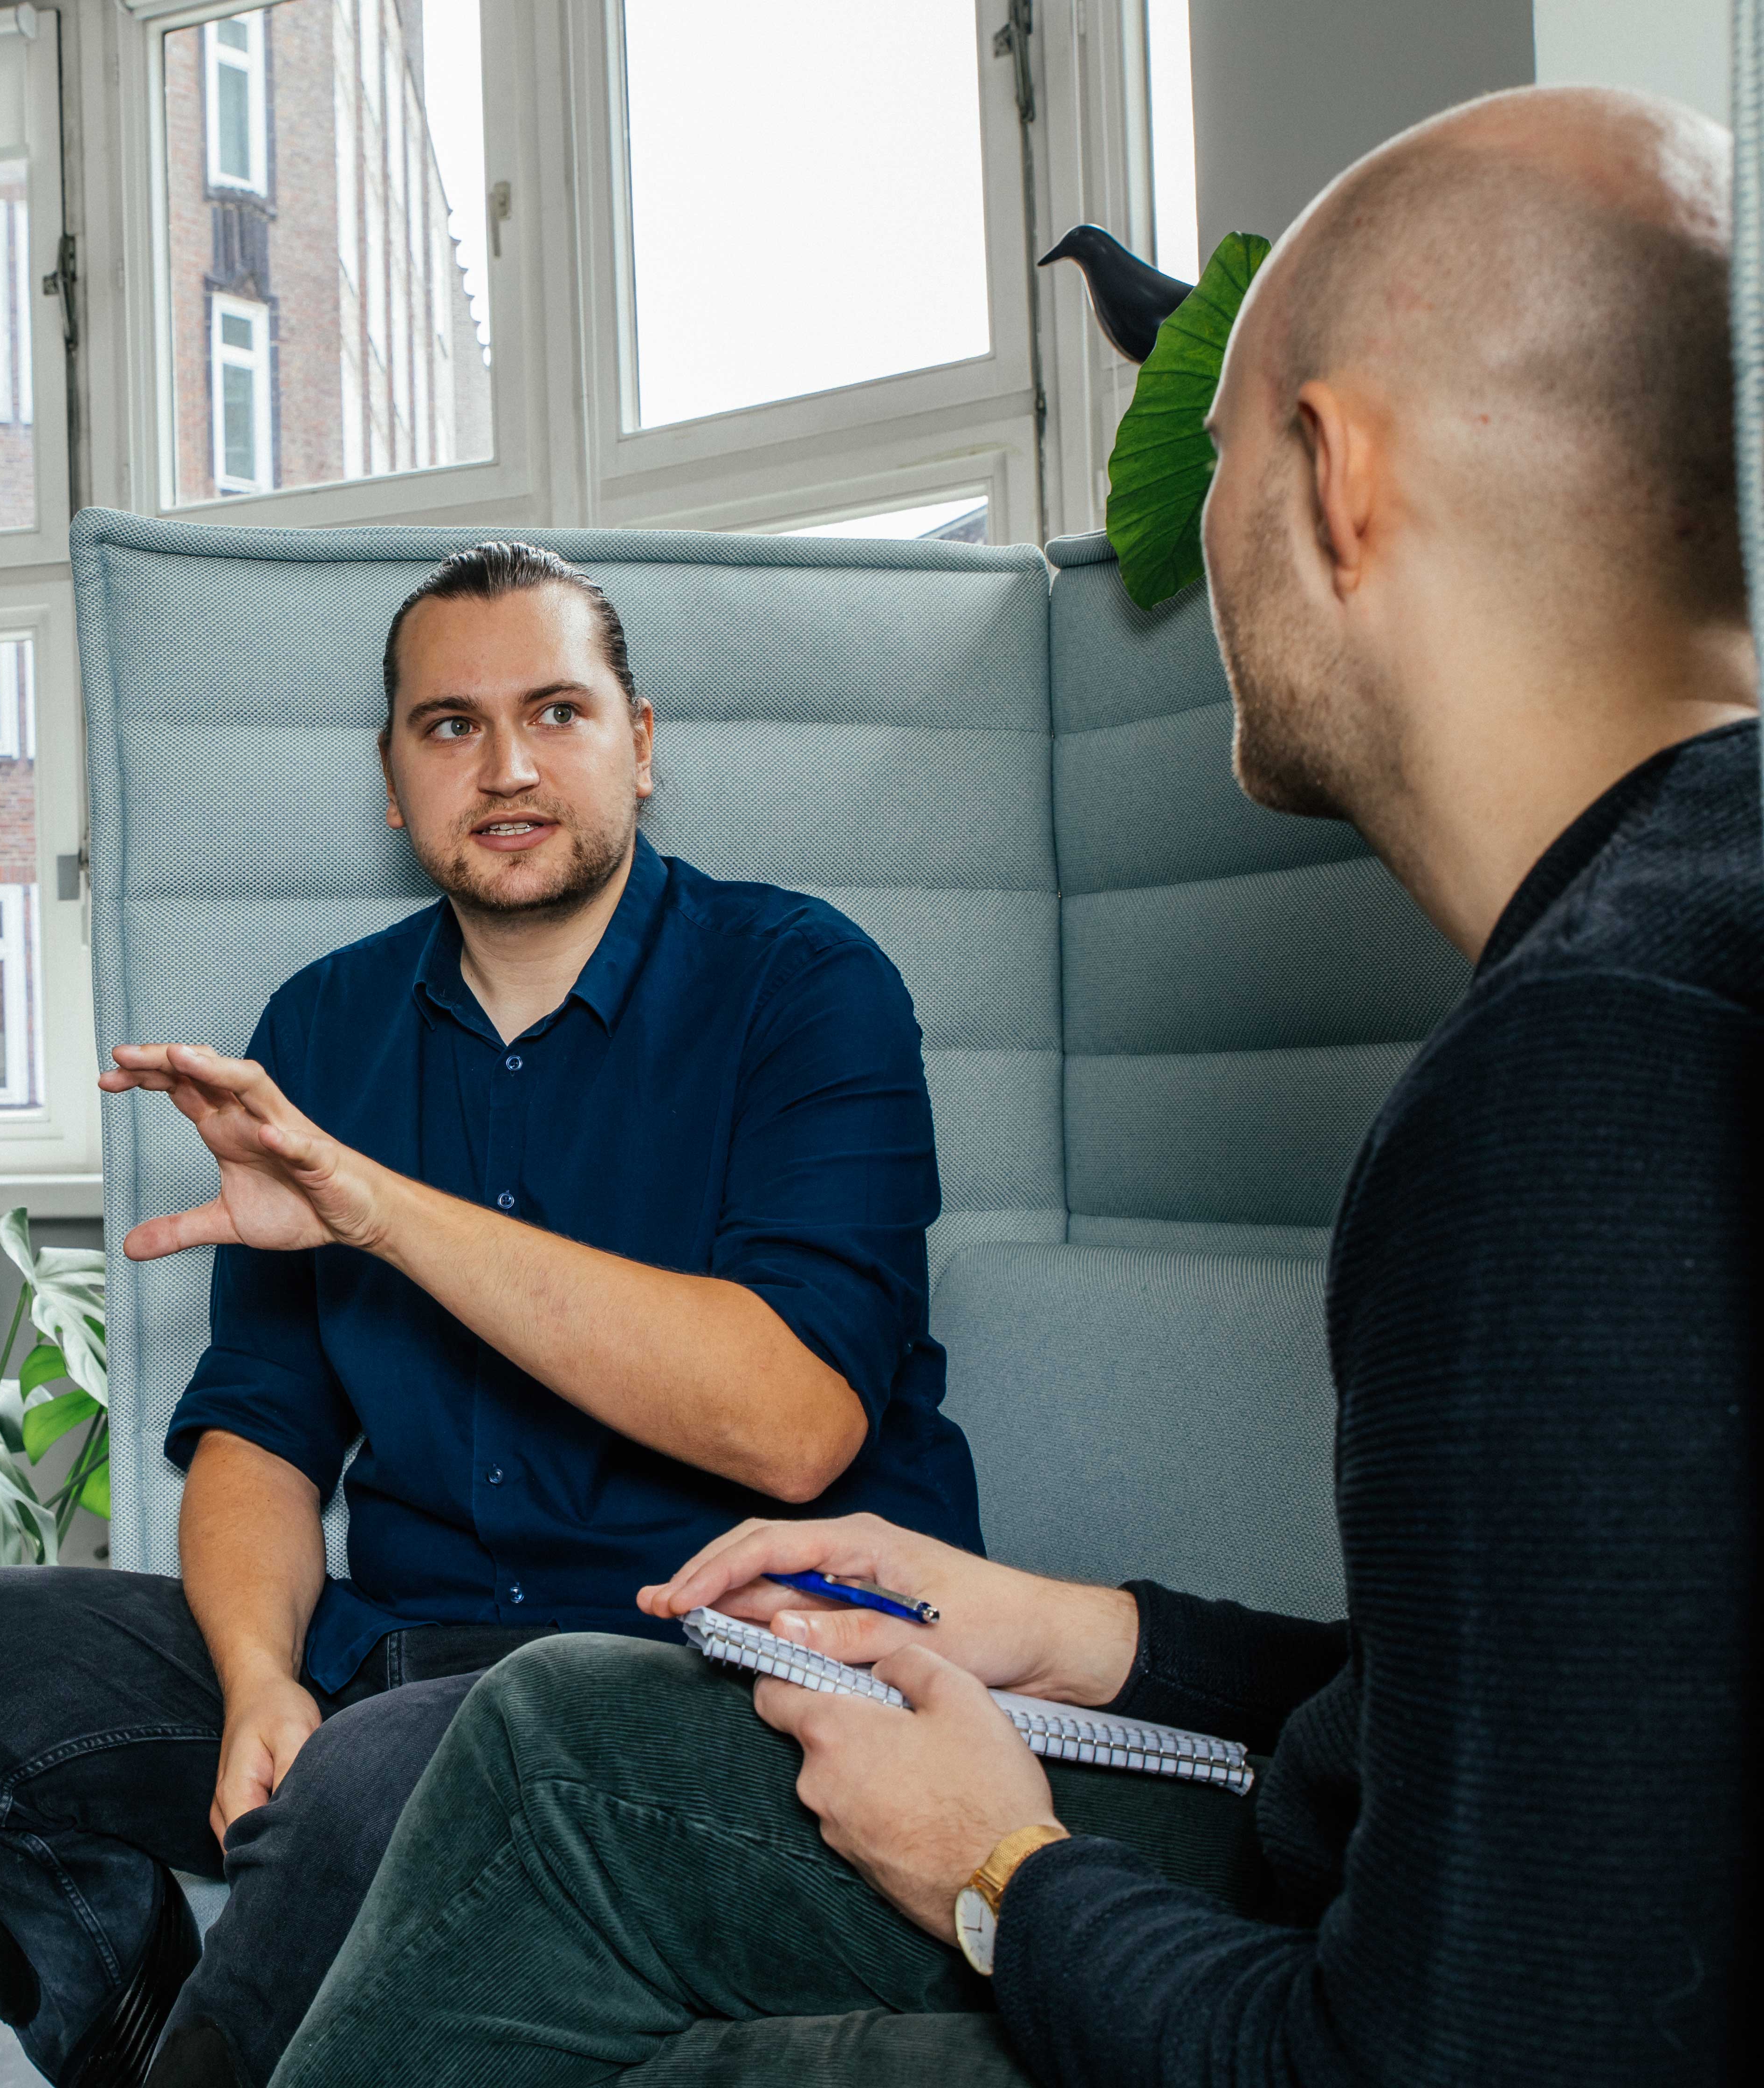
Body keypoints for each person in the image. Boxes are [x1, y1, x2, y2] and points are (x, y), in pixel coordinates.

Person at [267, 84, 1760, 2088]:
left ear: (1333, 473)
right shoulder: (1686, 940)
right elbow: (1553, 1713)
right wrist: (1080, 1632)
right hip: (1354, 1871)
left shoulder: (1577, 1089)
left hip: (1338, 1988)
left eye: (1216, 460)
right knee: (558, 1744)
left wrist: (1001, 1869)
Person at [0, 541, 988, 2088]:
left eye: (558, 713)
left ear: (641, 747)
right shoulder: (321, 1027)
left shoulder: (807, 985)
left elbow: (793, 1425)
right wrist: (261, 1684)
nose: (506, 767)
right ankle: (141, 2043)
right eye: (449, 727)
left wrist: (377, 1209)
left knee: (381, 1788)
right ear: (395, 780)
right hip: (407, 1656)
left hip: (715, 1682)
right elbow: (263, 1423)